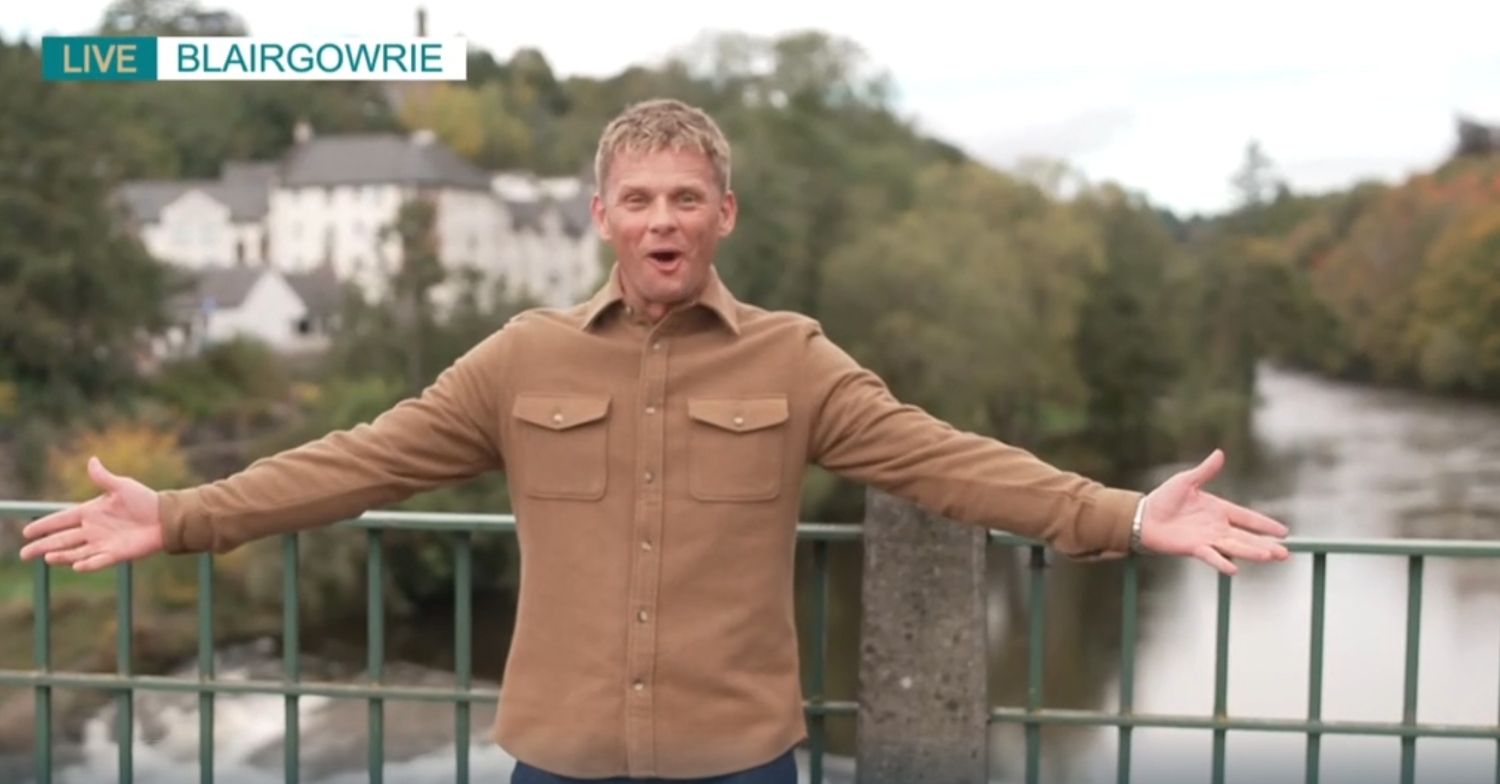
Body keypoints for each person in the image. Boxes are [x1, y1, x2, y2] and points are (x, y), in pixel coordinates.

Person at [18, 98, 1290, 783]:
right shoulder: (521, 357)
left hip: (739, 768)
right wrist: (178, 514)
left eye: (687, 197)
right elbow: (359, 458)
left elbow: (945, 458)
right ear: (602, 217)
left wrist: (1128, 513)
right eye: (639, 198)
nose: (663, 218)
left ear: (724, 213)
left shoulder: (794, 357)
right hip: (559, 765)